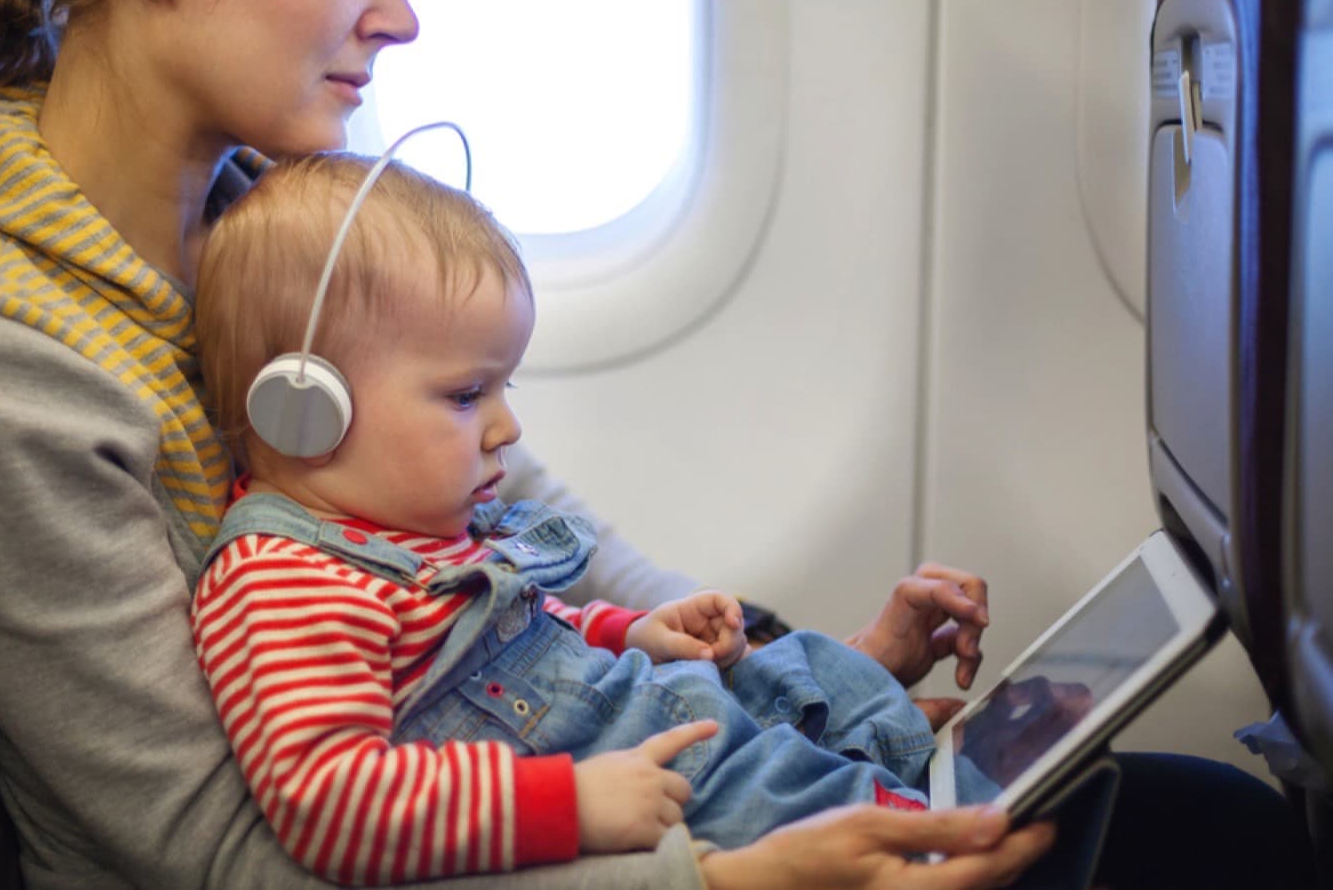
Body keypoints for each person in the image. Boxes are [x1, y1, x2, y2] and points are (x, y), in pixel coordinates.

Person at [0, 0, 1304, 887]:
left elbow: (558, 556)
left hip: (568, 815)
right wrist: (726, 878)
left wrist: (797, 699)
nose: (404, 19)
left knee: (1204, 825)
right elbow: (226, 859)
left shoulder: (281, 231)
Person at [190, 152, 982, 885]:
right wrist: (570, 805)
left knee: (807, 666)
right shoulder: (282, 584)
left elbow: (519, 629)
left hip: (646, 711)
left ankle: (948, 775)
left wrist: (627, 631)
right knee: (874, 815)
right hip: (643, 788)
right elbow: (330, 800)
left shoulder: (405, 528)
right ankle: (961, 821)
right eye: (468, 396)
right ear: (306, 415)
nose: (507, 428)